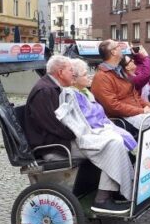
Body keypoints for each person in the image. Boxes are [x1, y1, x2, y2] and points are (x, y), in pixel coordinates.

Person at [25, 55, 134, 214]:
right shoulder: (45, 91)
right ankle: (102, 199)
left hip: (64, 140)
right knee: (112, 144)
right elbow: (56, 126)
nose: (73, 75)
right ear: (61, 72)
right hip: (56, 147)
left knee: (114, 140)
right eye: (71, 71)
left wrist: (87, 132)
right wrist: (84, 134)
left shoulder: (53, 87)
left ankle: (116, 189)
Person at [91, 39, 150, 142]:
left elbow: (135, 96)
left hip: (135, 113)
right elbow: (113, 106)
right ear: (113, 52)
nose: (121, 47)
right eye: (117, 46)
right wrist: (141, 111)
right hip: (122, 118)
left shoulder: (119, 71)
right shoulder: (102, 77)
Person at [69, 58, 137, 154]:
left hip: (106, 125)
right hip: (98, 130)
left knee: (127, 138)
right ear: (74, 78)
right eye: (84, 74)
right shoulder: (73, 95)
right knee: (120, 140)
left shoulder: (85, 91)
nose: (88, 76)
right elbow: (89, 119)